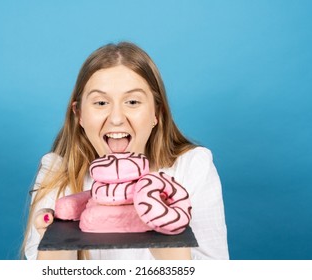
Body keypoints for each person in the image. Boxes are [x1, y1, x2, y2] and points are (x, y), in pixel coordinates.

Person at [21, 42, 229, 260]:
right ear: (79, 114)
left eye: (132, 101)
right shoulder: (56, 172)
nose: (117, 118)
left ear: (156, 112)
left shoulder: (193, 167)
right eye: (101, 102)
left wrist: (169, 245)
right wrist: (57, 249)